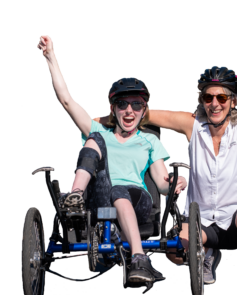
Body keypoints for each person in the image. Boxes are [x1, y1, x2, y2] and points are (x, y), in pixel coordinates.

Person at [95, 17, 237, 290]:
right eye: (208, 98)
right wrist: (94, 123)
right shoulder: (193, 125)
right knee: (171, 251)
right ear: (202, 100)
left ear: (233, 102)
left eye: (222, 98)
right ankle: (205, 255)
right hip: (199, 222)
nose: (214, 104)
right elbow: (140, 115)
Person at [37, 36, 188, 284]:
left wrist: (176, 181)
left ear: (144, 110)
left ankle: (139, 258)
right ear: (113, 108)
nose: (129, 110)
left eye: (136, 105)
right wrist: (50, 56)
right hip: (99, 198)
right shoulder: (101, 134)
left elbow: (162, 185)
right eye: (122, 104)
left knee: (120, 188)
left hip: (137, 202)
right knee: (94, 137)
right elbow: (67, 101)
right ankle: (74, 196)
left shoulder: (150, 141)